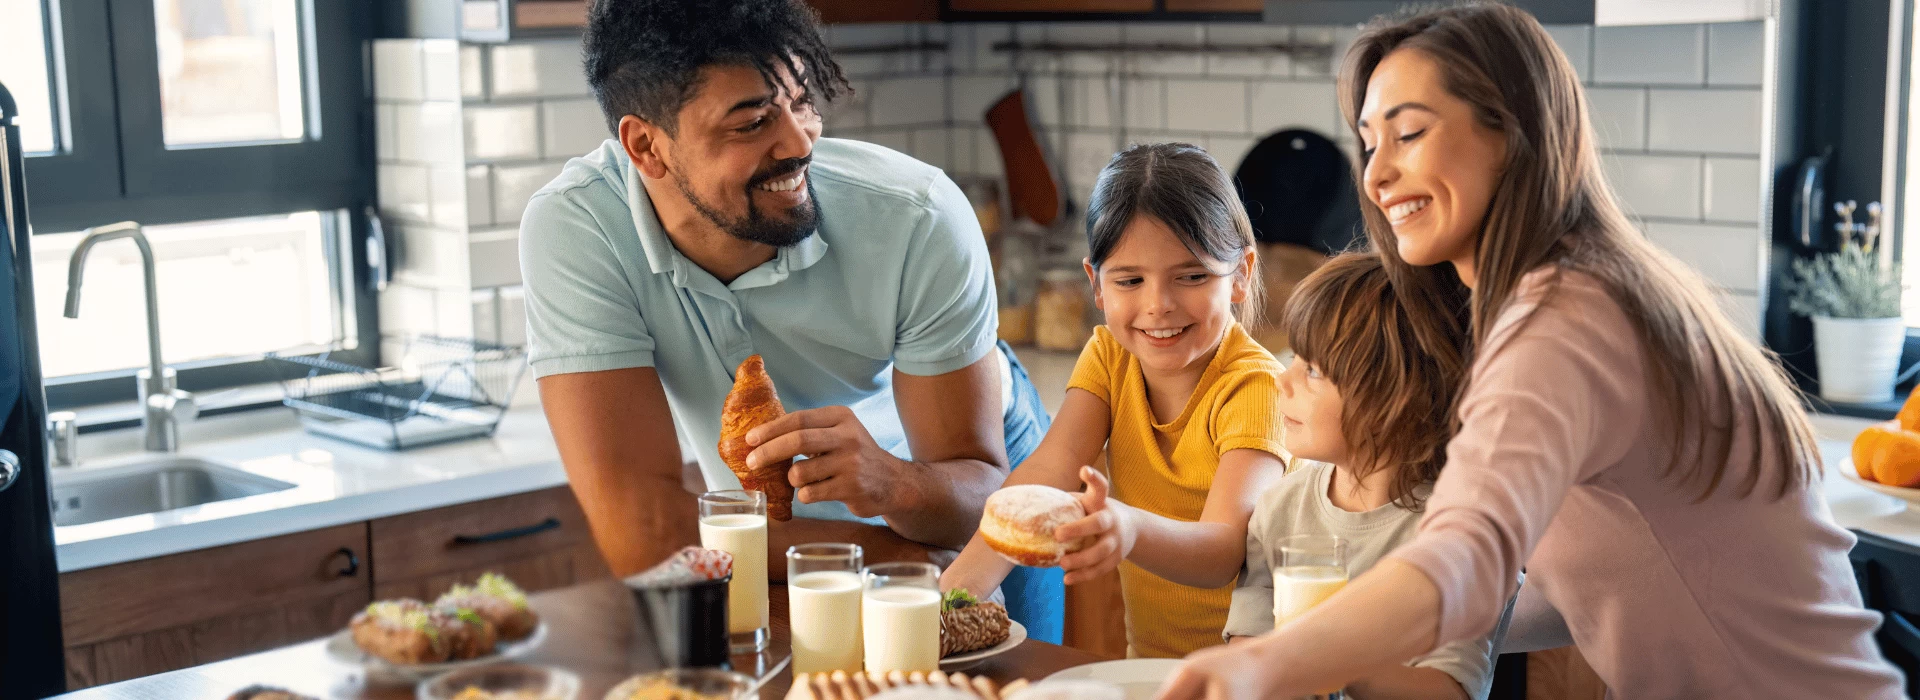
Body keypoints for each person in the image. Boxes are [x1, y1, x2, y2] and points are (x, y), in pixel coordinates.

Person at [1157, 4, 1906, 698]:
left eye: (1409, 133)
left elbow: (1468, 563)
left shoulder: (1568, 321)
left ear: (1512, 134)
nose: (1376, 175)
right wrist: (1373, 635)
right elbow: (1614, 576)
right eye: (1368, 142)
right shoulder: (1583, 290)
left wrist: (1273, 659)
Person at [518, 0, 1062, 641]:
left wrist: (891, 484)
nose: (801, 143)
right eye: (752, 123)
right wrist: (891, 560)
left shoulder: (917, 217)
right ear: (647, 147)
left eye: (802, 102)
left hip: (955, 476)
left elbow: (976, 505)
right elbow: (648, 539)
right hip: (786, 531)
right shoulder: (578, 231)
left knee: (1014, 681)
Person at [939, 142, 1288, 658]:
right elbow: (1048, 472)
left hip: (1255, 675)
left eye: (1192, 276)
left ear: (1240, 274)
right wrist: (951, 596)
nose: (1158, 305)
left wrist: (1128, 527)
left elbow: (1221, 549)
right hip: (1147, 665)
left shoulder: (1254, 386)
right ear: (1096, 285)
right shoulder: (1109, 356)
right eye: (1130, 280)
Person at [1227, 252, 1513, 700]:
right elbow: (1250, 640)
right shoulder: (1280, 507)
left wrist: (1327, 664)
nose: (1283, 378)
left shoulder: (1456, 534)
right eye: (1295, 358)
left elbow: (1448, 689)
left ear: (1396, 397)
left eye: (1314, 370)